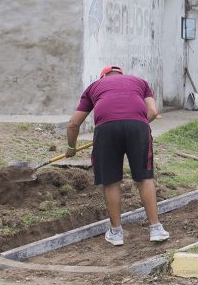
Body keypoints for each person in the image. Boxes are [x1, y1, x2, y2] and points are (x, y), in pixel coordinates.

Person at [66, 65, 170, 246]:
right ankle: (156, 229)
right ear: (121, 75)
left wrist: (71, 147)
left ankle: (116, 233)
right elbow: (153, 111)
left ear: (103, 77)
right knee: (145, 178)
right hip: (138, 128)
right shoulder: (140, 82)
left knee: (111, 181)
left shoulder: (94, 87)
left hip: (106, 130)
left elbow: (74, 124)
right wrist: (135, 124)